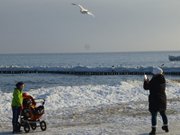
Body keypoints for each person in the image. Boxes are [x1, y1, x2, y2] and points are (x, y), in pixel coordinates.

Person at [143, 67, 169, 135]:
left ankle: (153, 130)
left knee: (154, 114)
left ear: (155, 73)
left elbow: (146, 87)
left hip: (154, 99)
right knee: (163, 113)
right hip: (162, 98)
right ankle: (166, 127)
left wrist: (146, 80)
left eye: (153, 73)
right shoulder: (163, 79)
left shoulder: (154, 80)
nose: (152, 74)